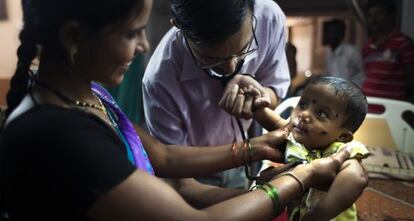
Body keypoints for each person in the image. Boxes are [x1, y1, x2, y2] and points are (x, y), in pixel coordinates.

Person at [0, 0, 354, 220]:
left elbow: (165, 156)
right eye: (132, 33)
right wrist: (301, 179)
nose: (144, 46)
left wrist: (258, 147)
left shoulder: (85, 95)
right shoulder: (60, 136)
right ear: (74, 37)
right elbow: (190, 214)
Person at [143, 0, 290, 188]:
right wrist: (265, 197)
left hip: (241, 167)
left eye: (243, 49)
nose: (230, 67)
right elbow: (182, 185)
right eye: (211, 59)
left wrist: (260, 96)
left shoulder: (268, 18)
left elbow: (275, 91)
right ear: (179, 27)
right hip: (196, 175)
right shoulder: (160, 81)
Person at [253, 77, 369, 221]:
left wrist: (319, 214)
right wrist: (255, 106)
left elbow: (356, 177)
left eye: (321, 114)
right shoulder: (302, 140)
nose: (304, 114)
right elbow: (278, 124)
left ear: (343, 136)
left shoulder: (341, 150)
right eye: (302, 104)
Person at [362, 0, 414, 103]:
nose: (373, 19)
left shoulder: (403, 42)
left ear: (391, 16)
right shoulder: (367, 46)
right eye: (370, 15)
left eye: (379, 14)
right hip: (367, 107)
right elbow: (368, 75)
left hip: (392, 109)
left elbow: (411, 81)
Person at [323, 19, 365, 87]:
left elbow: (364, 73)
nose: (331, 35)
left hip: (353, 93)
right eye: (329, 32)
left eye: (335, 32)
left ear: (343, 34)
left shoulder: (352, 51)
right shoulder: (329, 53)